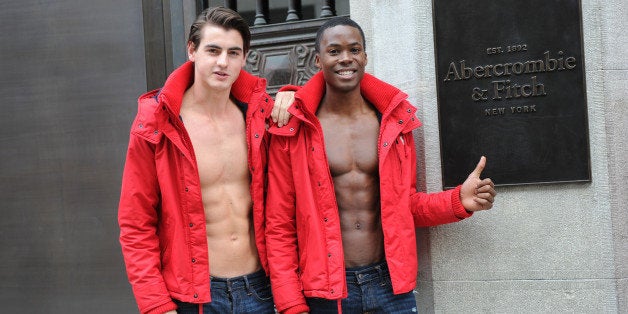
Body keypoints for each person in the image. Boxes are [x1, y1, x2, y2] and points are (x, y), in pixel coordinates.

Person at [264, 16, 496, 314]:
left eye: (354, 49)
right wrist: (291, 305)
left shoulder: (394, 123)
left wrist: (457, 201)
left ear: (365, 56)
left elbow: (404, 205)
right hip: (328, 294)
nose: (345, 58)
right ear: (318, 59)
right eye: (334, 51)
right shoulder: (295, 129)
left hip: (390, 287)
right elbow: (279, 225)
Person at [118, 7, 294, 314]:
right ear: (192, 51)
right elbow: (136, 223)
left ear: (245, 57)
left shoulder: (259, 116)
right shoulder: (157, 123)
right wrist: (156, 304)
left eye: (233, 52)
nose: (223, 62)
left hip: (260, 291)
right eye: (213, 50)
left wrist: (293, 94)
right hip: (195, 297)